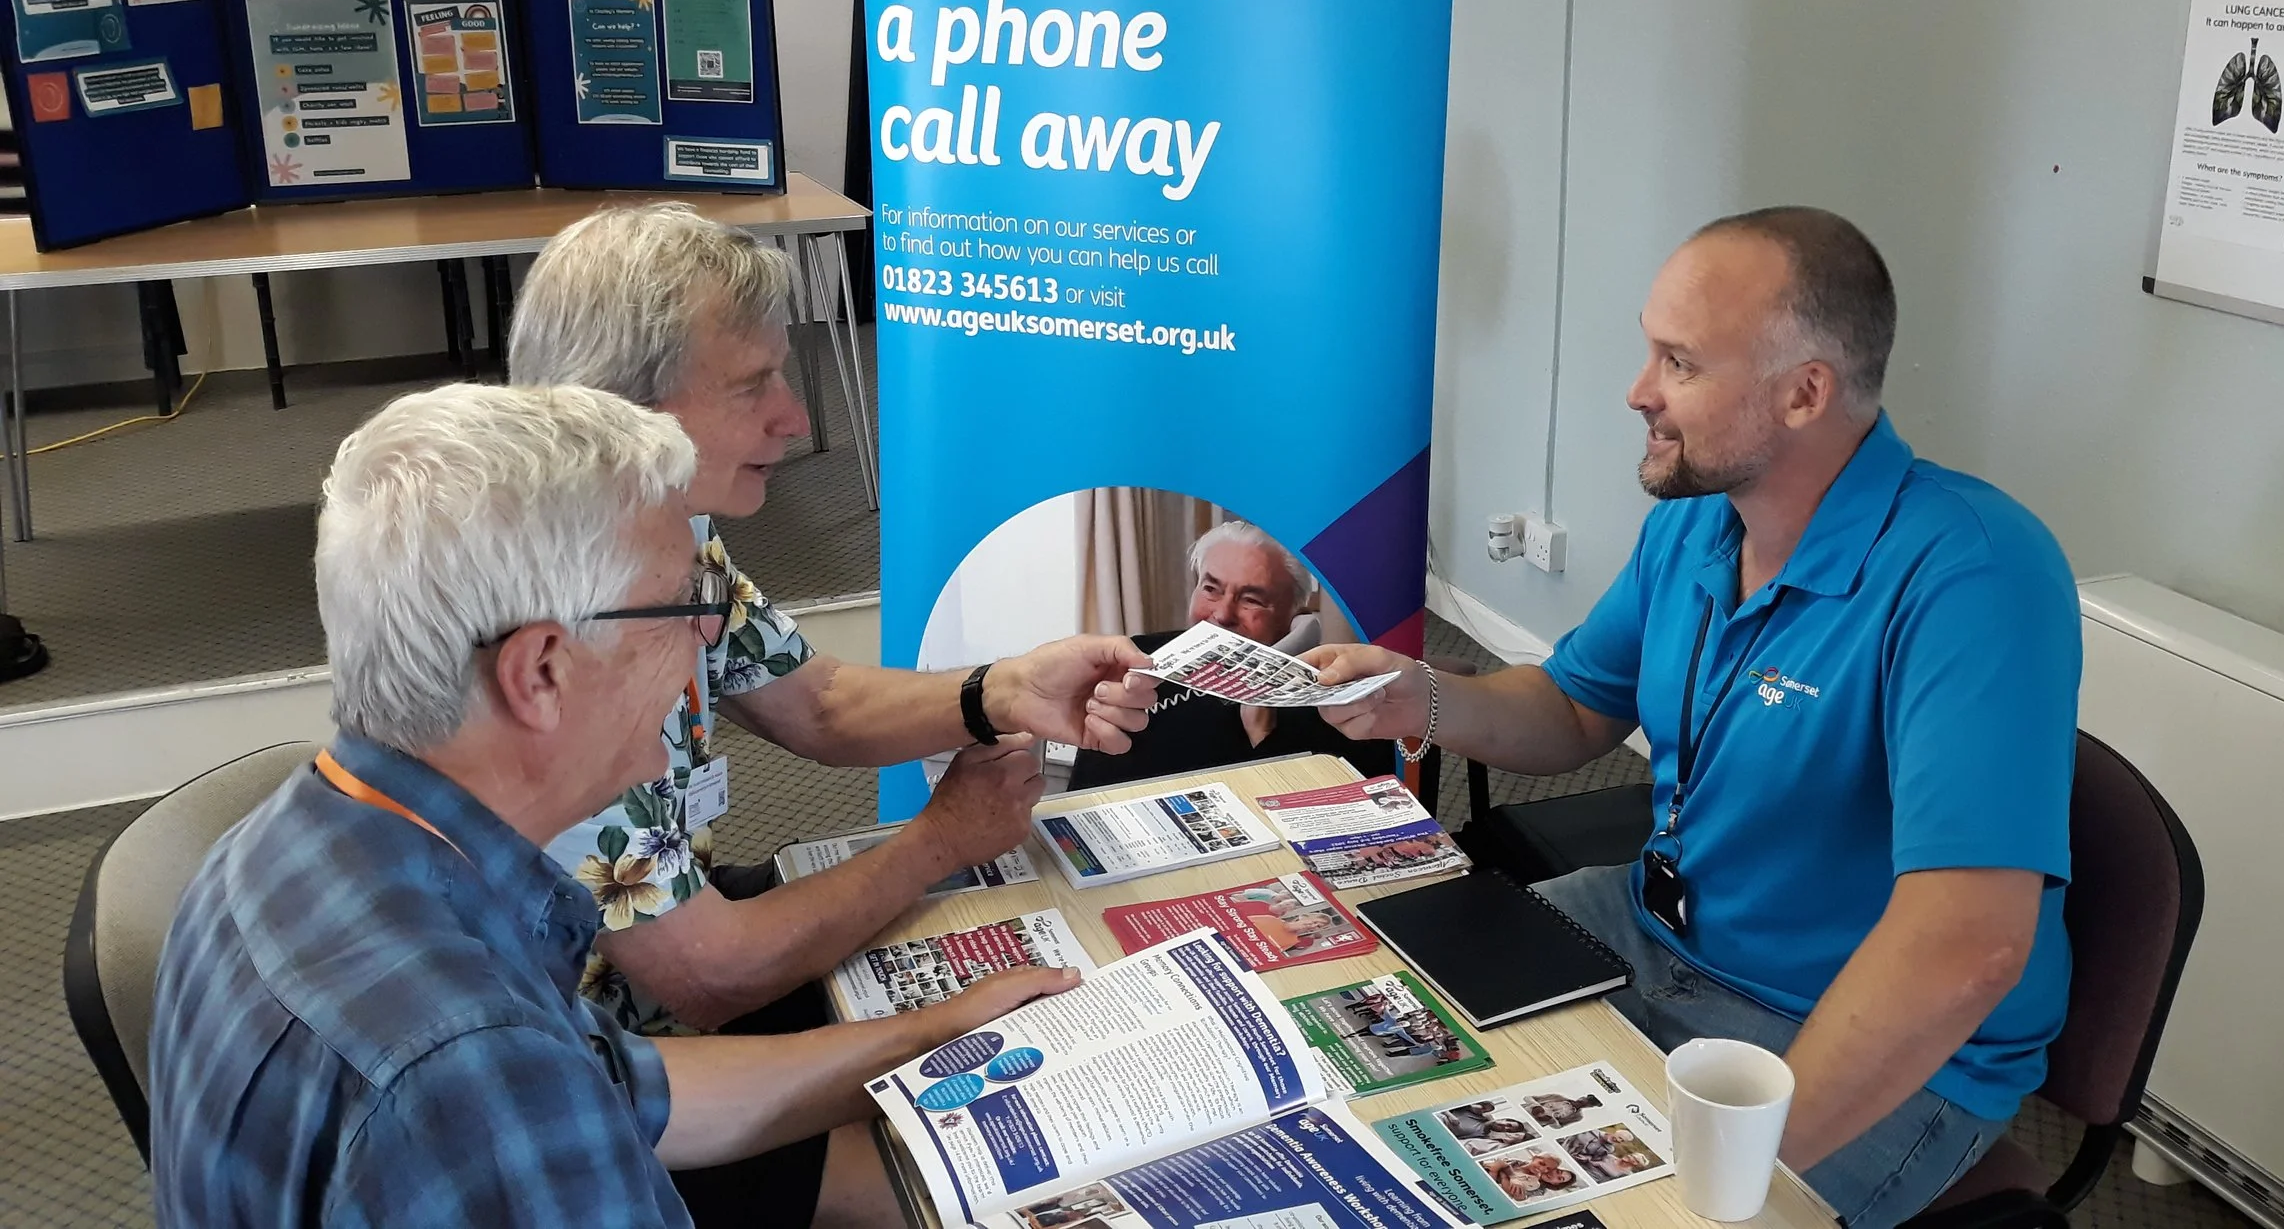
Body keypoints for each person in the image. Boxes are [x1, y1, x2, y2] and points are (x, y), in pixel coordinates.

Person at [1310, 207, 2079, 1228]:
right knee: (1350, 1040)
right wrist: (1426, 698)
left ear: (1805, 391)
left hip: (1842, 1026)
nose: (1638, 391)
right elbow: (1575, 708)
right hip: (1650, 930)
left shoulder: (1973, 572)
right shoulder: (1692, 524)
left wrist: (1725, 1172)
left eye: (1678, 361)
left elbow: (1964, 947)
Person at [149, 384, 1077, 1228]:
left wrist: (940, 1037)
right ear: (542, 672)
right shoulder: (475, 1073)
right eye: (682, 608)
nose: (711, 640)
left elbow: (629, 1087)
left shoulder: (282, 843)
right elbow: (538, 1094)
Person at [508, 205, 1161, 1225]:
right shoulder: (564, 635)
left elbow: (815, 699)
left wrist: (1000, 688)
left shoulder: (662, 538)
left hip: (656, 990)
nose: (796, 418)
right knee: (988, 1187)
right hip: (589, 1097)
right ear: (621, 410)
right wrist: (937, 840)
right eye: (752, 384)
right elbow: (706, 977)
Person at [1069, 519, 1395, 789]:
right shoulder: (1133, 661)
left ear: (1294, 616)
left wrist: (1262, 725)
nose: (1222, 614)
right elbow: (1085, 795)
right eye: (1211, 589)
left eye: (1251, 599)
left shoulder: (1334, 696)